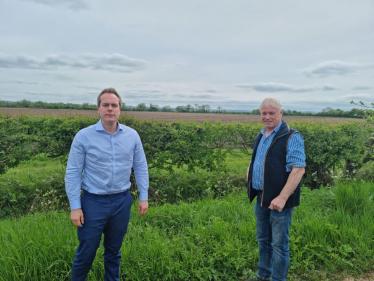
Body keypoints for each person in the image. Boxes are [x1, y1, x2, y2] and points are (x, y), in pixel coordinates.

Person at [65, 88, 149, 281]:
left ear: (120, 109)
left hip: (122, 201)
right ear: (98, 109)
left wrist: (143, 196)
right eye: (106, 105)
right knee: (86, 253)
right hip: (93, 203)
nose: (110, 108)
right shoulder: (84, 137)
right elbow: (73, 172)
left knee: (113, 251)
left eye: (114, 105)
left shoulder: (132, 136)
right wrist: (75, 206)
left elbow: (141, 167)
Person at [246, 98, 306, 281]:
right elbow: (256, 159)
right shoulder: (261, 134)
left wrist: (282, 197)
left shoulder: (291, 136)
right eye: (264, 113)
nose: (267, 117)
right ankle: (263, 276)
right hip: (261, 198)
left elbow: (298, 169)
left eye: (271, 113)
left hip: (280, 201)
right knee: (263, 241)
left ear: (281, 113)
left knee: (279, 245)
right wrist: (250, 175)